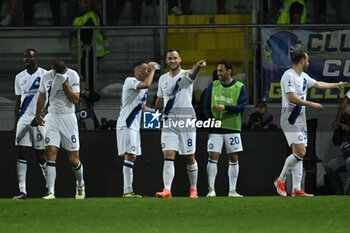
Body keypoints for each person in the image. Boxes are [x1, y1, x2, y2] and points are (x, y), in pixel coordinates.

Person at [274, 50, 345, 197]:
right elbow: (292, 98)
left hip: (300, 120)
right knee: (301, 152)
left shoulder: (303, 76)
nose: (308, 62)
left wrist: (335, 85)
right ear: (301, 61)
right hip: (290, 119)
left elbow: (318, 84)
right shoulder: (288, 76)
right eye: (307, 60)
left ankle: (296, 189)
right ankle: (280, 180)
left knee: (298, 154)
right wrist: (312, 104)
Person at [155, 49, 206, 198]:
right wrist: (157, 119)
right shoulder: (162, 79)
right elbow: (159, 101)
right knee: (168, 154)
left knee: (189, 156)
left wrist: (198, 66)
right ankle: (167, 190)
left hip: (186, 121)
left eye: (175, 58)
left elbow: (193, 74)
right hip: (169, 122)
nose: (172, 61)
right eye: (170, 58)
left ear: (180, 60)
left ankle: (193, 189)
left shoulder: (185, 75)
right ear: (166, 61)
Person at [35, 60, 85, 200]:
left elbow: (75, 99)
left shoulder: (73, 75)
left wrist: (64, 84)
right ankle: (50, 191)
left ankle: (80, 183)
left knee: (73, 160)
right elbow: (42, 95)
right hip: (52, 117)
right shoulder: (46, 77)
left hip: (68, 118)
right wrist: (38, 113)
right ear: (53, 70)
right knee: (50, 153)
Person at [203, 60, 247, 197]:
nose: (218, 73)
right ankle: (211, 190)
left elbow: (242, 107)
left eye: (221, 71)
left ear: (229, 71)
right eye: (217, 71)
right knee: (212, 156)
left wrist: (225, 108)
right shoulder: (213, 86)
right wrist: (210, 119)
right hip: (215, 128)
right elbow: (205, 105)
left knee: (233, 158)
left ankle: (232, 190)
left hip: (232, 127)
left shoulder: (240, 87)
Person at [116, 61, 157, 198]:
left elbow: (142, 108)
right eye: (146, 69)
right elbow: (146, 84)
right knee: (130, 156)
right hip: (126, 124)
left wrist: (157, 113)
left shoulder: (142, 88)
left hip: (134, 126)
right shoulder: (130, 81)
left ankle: (128, 191)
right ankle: (127, 191)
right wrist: (153, 70)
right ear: (138, 72)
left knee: (132, 157)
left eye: (149, 69)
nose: (148, 71)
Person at [13, 49, 47, 199]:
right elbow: (17, 102)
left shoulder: (45, 75)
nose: (26, 59)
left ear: (36, 58)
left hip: (38, 118)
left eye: (30, 57)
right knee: (22, 152)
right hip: (23, 118)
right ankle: (22, 191)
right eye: (25, 57)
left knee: (41, 154)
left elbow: (51, 98)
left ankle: (49, 188)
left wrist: (42, 115)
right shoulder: (19, 77)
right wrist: (15, 123)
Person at [70, 0, 110, 92]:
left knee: (89, 76)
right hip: (85, 49)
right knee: (87, 75)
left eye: (83, 2)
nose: (79, 3)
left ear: (89, 4)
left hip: (90, 49)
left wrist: (74, 31)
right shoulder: (83, 15)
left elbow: (87, 33)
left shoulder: (91, 15)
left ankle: (91, 96)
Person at [325, 110, 350, 195]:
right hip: (346, 156)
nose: (343, 127)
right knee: (330, 166)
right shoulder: (343, 130)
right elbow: (336, 142)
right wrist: (338, 129)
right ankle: (339, 191)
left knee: (349, 161)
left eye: (344, 125)